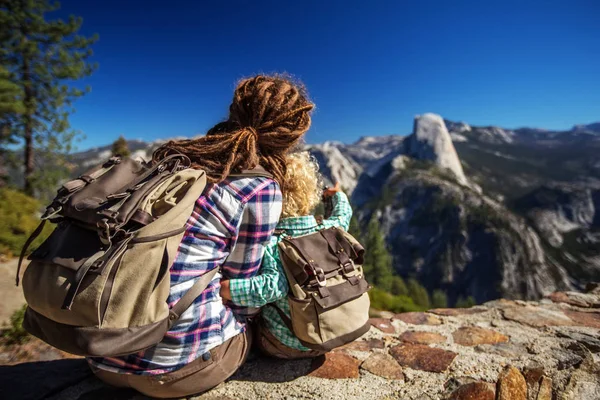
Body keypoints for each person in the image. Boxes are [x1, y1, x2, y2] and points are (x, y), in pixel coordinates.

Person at [88, 75, 314, 398]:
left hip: (102, 356)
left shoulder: (186, 163)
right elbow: (238, 292)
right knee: (259, 329)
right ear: (289, 138)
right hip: (174, 370)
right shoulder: (261, 189)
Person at [220, 152, 353, 359]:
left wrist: (225, 289)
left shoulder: (273, 244)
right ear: (311, 193)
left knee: (250, 322)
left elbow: (272, 287)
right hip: (330, 336)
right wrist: (337, 195)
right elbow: (343, 215)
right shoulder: (329, 230)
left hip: (285, 343)